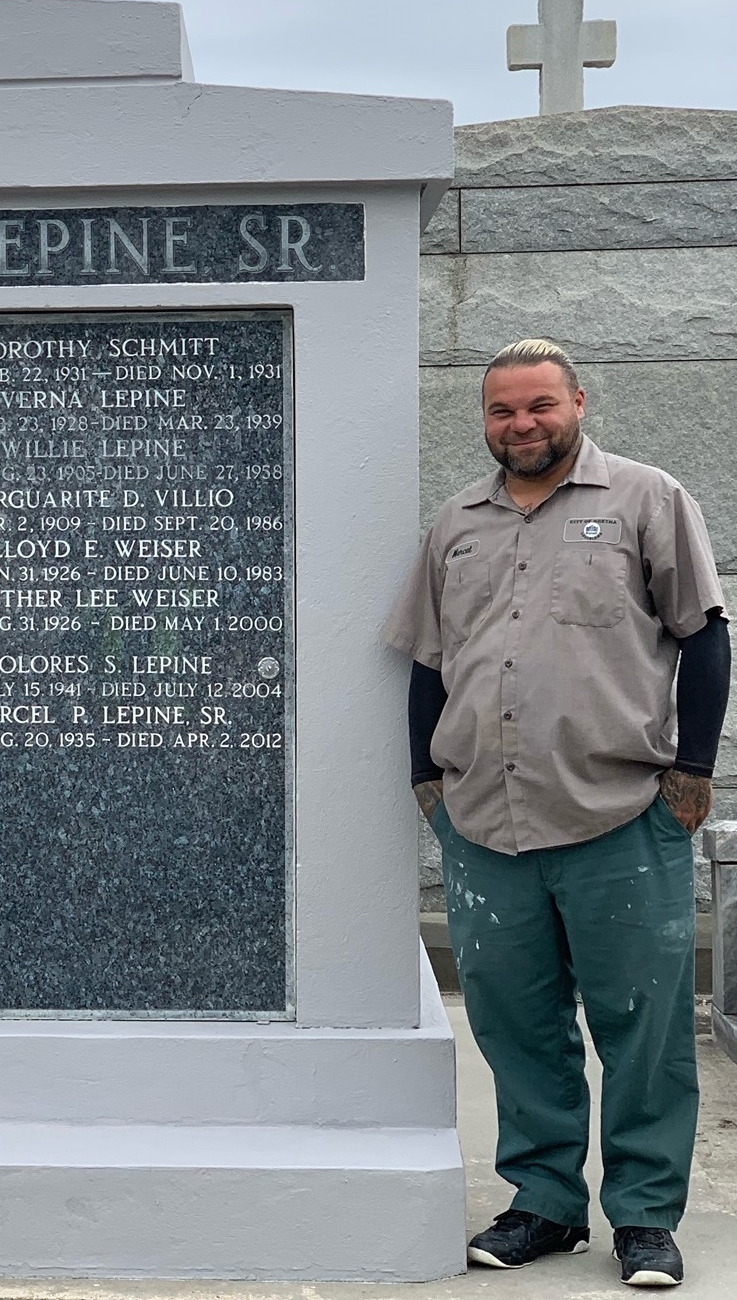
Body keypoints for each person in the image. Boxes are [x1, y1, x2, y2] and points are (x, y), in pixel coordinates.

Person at [384, 339, 728, 1289]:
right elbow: (427, 662)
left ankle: (645, 1216)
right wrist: (424, 780)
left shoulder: (646, 499)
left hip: (621, 813)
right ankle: (543, 1202)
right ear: (484, 420)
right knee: (515, 1024)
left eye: (538, 405)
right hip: (482, 823)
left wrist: (692, 773)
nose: (521, 424)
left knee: (642, 1026)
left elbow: (703, 637)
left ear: (577, 403)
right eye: (501, 410)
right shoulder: (456, 524)